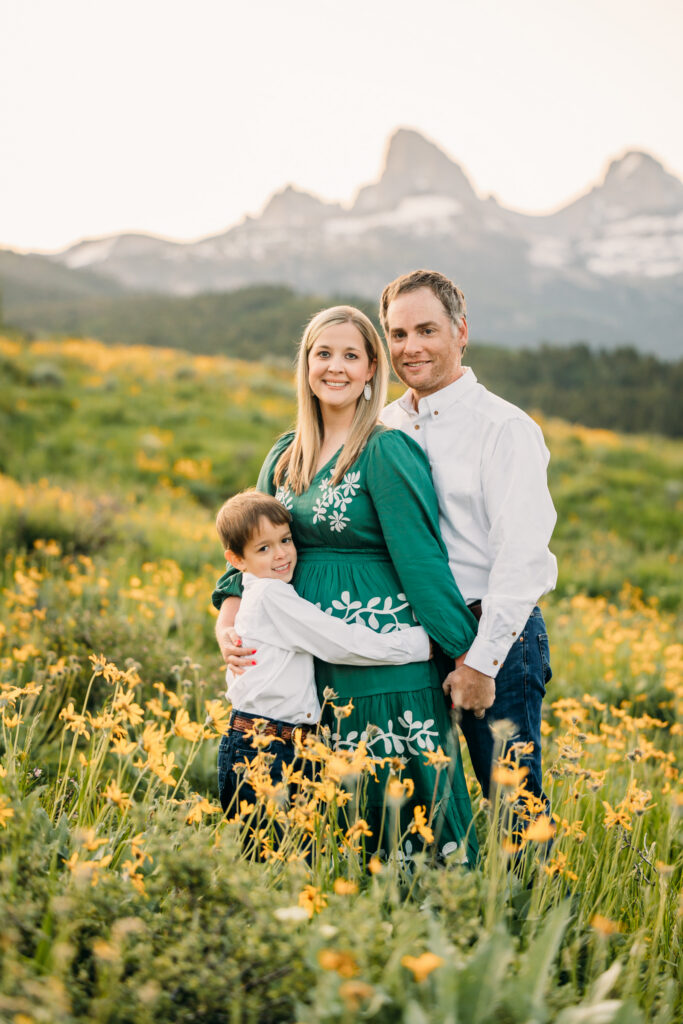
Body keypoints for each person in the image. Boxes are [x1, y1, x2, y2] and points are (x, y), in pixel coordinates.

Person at [213, 306, 480, 865]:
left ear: (370, 369)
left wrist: (465, 655)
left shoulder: (385, 450)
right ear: (305, 364)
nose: (335, 367)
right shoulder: (284, 455)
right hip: (308, 668)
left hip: (383, 662)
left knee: (407, 821)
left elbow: (422, 563)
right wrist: (227, 616)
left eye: (350, 356)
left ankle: (441, 932)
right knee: (330, 821)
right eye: (322, 354)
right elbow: (246, 545)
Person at [379, 269, 558, 806]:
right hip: (408, 641)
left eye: (427, 330)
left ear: (461, 331)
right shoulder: (384, 425)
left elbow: (521, 559)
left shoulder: (503, 428)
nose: (411, 348)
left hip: (490, 634)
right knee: (417, 805)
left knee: (513, 809)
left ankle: (534, 894)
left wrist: (483, 662)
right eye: (398, 334)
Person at [214, 488, 431, 813]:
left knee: (283, 852)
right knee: (273, 851)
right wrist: (420, 643)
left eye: (286, 540)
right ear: (237, 560)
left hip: (275, 742)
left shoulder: (259, 590)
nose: (280, 554)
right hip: (262, 749)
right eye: (264, 548)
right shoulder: (271, 596)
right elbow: (340, 642)